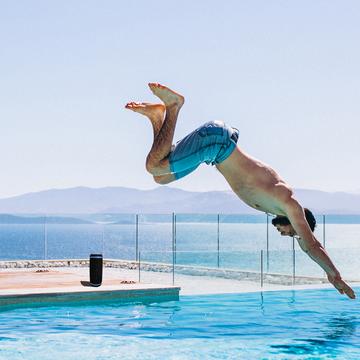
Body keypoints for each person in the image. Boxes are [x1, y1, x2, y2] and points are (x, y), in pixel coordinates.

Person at [125, 83, 355, 299]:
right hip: (218, 142)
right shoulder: (288, 201)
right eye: (293, 233)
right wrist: (334, 274)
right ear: (299, 222)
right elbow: (312, 244)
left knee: (160, 177)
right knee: (153, 166)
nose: (287, 235)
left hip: (213, 151)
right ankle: (174, 106)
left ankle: (157, 117)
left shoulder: (274, 205)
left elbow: (307, 243)